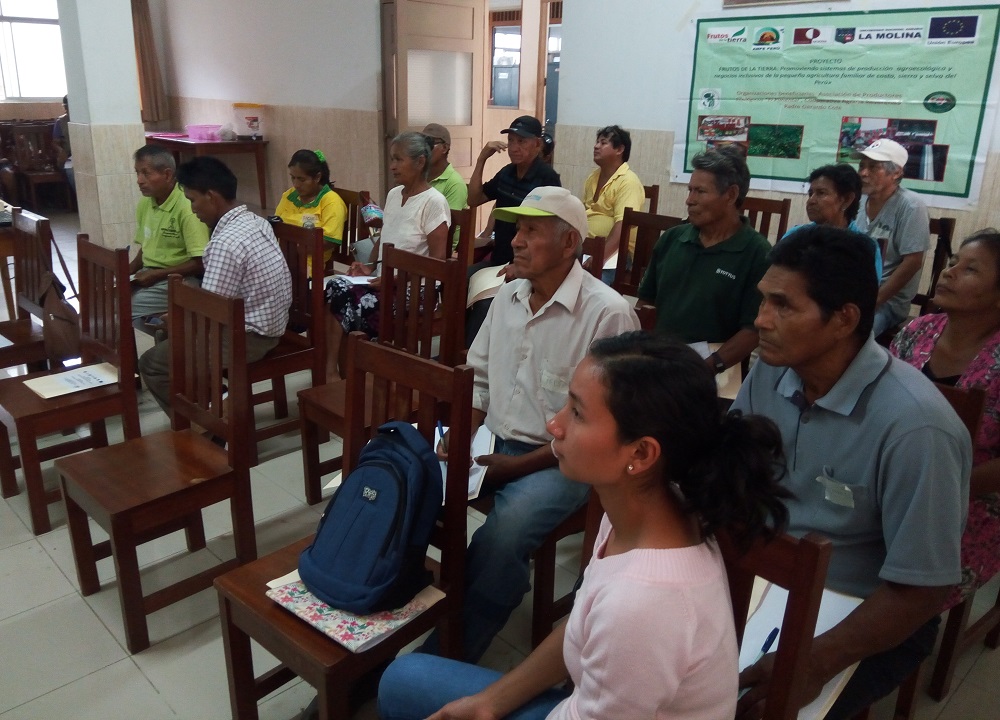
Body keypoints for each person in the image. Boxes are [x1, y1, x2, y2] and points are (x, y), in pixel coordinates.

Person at [377, 331, 791, 720]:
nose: (555, 426)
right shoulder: (642, 508)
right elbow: (581, 625)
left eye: (576, 412)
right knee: (402, 678)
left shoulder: (645, 606)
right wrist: (489, 703)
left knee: (404, 685)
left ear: (641, 453)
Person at [734, 225, 971, 720]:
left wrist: (812, 663)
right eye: (763, 301)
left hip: (862, 599)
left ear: (843, 320)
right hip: (766, 566)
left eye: (783, 306)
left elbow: (922, 589)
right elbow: (733, 461)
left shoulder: (917, 428)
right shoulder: (773, 370)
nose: (761, 321)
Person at [419, 186, 639, 665]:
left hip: (565, 462)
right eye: (517, 229)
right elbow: (477, 380)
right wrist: (463, 433)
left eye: (531, 230)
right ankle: (383, 628)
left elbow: (602, 430)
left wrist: (508, 470)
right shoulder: (508, 295)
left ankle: (446, 653)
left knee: (502, 537)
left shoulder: (608, 313)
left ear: (568, 244)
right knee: (410, 490)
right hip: (494, 441)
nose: (516, 241)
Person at [891, 229, 1000, 610]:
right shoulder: (914, 332)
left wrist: (939, 490)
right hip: (894, 480)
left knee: (906, 587)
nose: (949, 273)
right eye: (954, 263)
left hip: (971, 499)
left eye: (970, 270)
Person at [138, 156, 292, 415]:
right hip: (272, 324)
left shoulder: (224, 243)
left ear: (211, 196)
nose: (193, 209)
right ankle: (215, 404)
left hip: (250, 338)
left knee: (153, 363)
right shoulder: (256, 221)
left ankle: (208, 429)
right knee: (168, 335)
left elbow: (208, 315)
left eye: (193, 200)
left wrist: (177, 319)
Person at [323, 131, 450, 379]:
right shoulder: (394, 194)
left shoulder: (434, 202)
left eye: (398, 159)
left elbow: (437, 264)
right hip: (386, 280)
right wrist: (369, 266)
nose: (392, 166)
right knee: (336, 286)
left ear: (420, 162)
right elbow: (384, 238)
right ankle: (336, 375)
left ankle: (349, 376)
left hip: (416, 289)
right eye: (392, 159)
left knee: (349, 299)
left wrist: (395, 278)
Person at [637, 146, 770, 376]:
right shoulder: (672, 239)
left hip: (716, 373)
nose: (690, 200)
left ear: (730, 195)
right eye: (690, 190)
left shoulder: (757, 253)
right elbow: (646, 303)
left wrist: (706, 367)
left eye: (700, 191)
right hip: (659, 363)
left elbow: (752, 330)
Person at [465, 116, 561, 346]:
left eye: (522, 141)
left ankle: (472, 363)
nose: (514, 147)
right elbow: (473, 198)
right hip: (498, 260)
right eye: (511, 140)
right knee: (456, 281)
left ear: (537, 145)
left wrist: (519, 266)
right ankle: (456, 350)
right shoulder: (507, 173)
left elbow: (549, 232)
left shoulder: (547, 179)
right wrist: (481, 160)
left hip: (528, 266)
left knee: (486, 304)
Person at [853, 138, 929, 336]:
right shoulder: (858, 203)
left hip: (887, 301)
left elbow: (913, 262)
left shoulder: (911, 206)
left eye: (872, 167)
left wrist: (874, 301)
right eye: (861, 166)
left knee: (852, 334)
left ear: (896, 173)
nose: (863, 173)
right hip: (853, 292)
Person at [130, 144, 210, 329]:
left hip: (181, 279)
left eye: (146, 173)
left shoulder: (187, 207)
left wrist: (156, 274)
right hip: (151, 275)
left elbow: (200, 263)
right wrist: (125, 271)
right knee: (109, 297)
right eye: (137, 173)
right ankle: (160, 326)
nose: (139, 180)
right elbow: (147, 246)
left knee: (123, 307)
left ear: (167, 175)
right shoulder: (146, 203)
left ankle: (168, 325)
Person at [782, 163, 882, 279]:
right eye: (810, 194)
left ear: (846, 200)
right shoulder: (796, 235)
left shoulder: (864, 249)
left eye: (821, 193)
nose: (811, 201)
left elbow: (867, 294)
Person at [582, 125, 645, 285]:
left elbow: (622, 225)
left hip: (616, 254)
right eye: (596, 142)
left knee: (589, 290)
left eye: (603, 143)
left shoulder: (628, 181)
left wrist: (599, 257)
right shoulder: (593, 177)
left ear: (619, 149)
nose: (596, 146)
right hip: (585, 249)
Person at [274, 149, 347, 265]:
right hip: (283, 259)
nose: (296, 185)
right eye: (293, 178)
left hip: (309, 266)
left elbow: (328, 241)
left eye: (302, 179)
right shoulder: (289, 196)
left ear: (317, 177)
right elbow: (275, 225)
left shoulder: (332, 202)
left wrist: (292, 251)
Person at [52, 95, 74, 192]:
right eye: (66, 107)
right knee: (71, 171)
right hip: (68, 157)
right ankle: (79, 199)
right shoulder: (61, 121)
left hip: (84, 156)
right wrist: (61, 151)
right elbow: (54, 142)